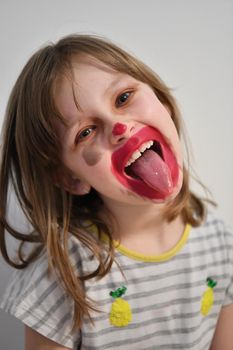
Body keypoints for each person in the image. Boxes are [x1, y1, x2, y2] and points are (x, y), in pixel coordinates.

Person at [0, 34, 232, 350]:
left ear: (161, 101)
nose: (118, 127)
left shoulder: (221, 245)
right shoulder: (63, 276)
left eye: (123, 98)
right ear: (70, 178)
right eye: (85, 132)